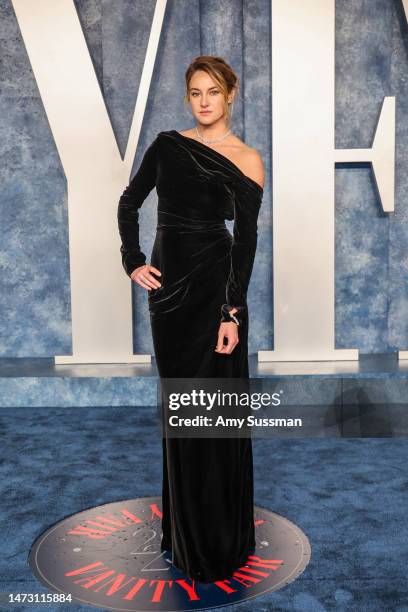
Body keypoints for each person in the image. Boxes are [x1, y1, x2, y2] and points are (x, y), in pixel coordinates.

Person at [117, 55, 264, 583]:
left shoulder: (247, 159)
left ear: (230, 96)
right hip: (170, 303)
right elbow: (129, 203)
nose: (203, 102)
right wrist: (133, 260)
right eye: (195, 93)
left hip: (215, 298)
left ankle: (222, 543)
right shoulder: (167, 145)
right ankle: (185, 537)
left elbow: (245, 245)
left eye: (212, 92)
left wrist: (232, 313)